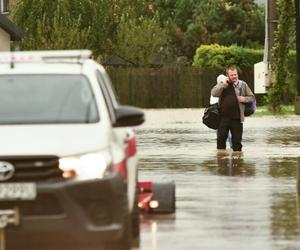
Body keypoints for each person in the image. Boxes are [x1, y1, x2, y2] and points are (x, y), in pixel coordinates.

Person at [211, 66, 255, 152]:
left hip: (237, 119)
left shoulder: (242, 84)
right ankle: (221, 162)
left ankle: (238, 162)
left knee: (237, 144)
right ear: (227, 75)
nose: (234, 76)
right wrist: (223, 84)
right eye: (232, 75)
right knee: (220, 142)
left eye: (235, 74)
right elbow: (214, 93)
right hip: (223, 118)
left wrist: (243, 99)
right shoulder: (223, 84)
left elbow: (252, 97)